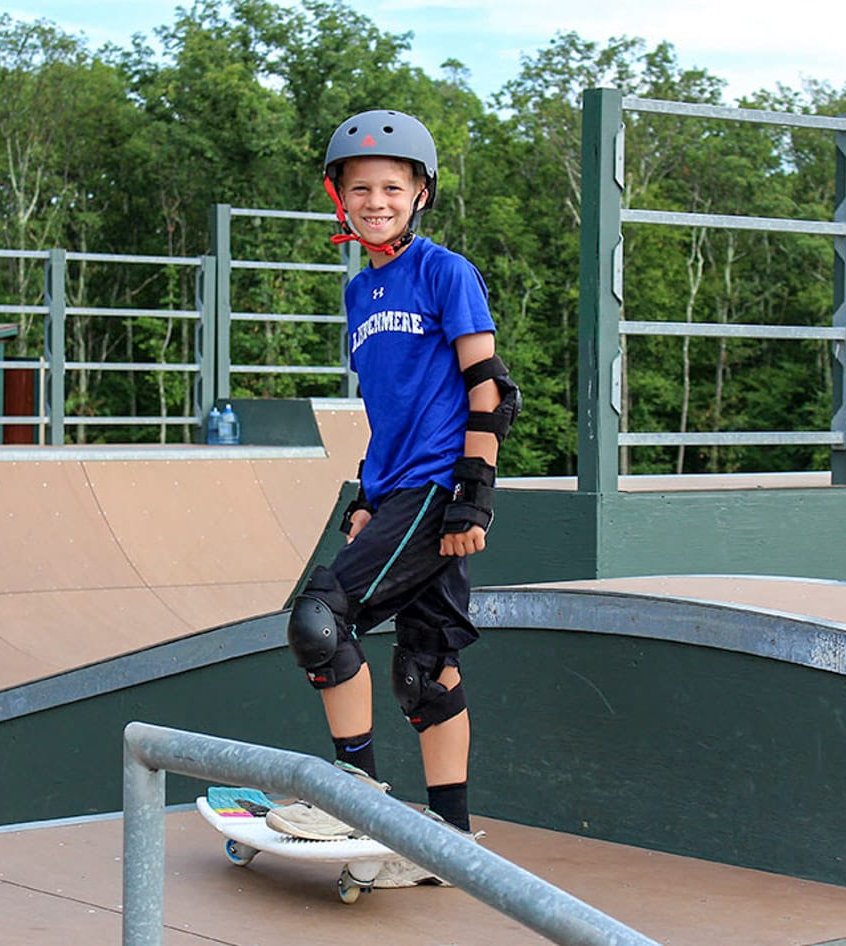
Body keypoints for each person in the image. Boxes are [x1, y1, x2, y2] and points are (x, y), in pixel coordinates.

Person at [266, 109, 521, 884]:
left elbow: (491, 390)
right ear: (338, 197)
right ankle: (449, 844)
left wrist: (474, 495)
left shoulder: (447, 273)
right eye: (360, 188)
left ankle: (352, 796)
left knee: (319, 618)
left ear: (420, 193)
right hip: (397, 486)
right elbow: (391, 407)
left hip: (439, 487)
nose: (375, 200)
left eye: (391, 186)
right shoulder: (360, 295)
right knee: (427, 665)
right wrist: (367, 497)